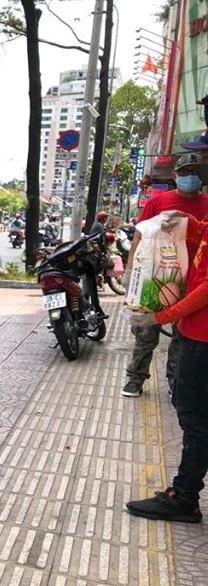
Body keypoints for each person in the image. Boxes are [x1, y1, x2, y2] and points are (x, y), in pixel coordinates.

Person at [125, 208, 208, 523]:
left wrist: (160, 316)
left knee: (195, 418)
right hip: (195, 333)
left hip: (203, 338)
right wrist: (190, 223)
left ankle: (184, 498)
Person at [121, 153, 208, 398]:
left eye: (194, 171)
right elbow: (139, 236)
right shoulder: (158, 202)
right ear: (174, 175)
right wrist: (130, 272)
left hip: (192, 281)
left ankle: (174, 381)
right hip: (157, 277)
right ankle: (136, 378)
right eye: (184, 172)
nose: (189, 176)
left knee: (181, 335)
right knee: (146, 332)